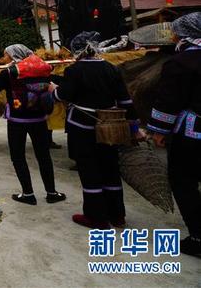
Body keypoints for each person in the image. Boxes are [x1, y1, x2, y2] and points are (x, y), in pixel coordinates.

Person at [50, 32, 143, 229]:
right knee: (110, 169)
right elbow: (125, 100)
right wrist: (134, 126)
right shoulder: (111, 68)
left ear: (78, 50)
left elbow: (63, 95)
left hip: (83, 128)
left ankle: (96, 217)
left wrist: (53, 90)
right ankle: (117, 215)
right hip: (111, 128)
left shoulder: (75, 70)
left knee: (90, 171)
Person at [147, 12, 200, 257]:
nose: (173, 35)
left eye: (175, 31)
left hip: (192, 135)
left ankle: (198, 236)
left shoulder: (181, 62)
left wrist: (158, 131)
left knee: (184, 181)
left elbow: (168, 101)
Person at [0, 44, 66, 205]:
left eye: (6, 55)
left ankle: (28, 194)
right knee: (44, 156)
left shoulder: (9, 73)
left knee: (18, 157)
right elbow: (60, 83)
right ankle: (52, 193)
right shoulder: (43, 70)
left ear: (14, 55)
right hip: (40, 121)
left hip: (17, 122)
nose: (4, 58)